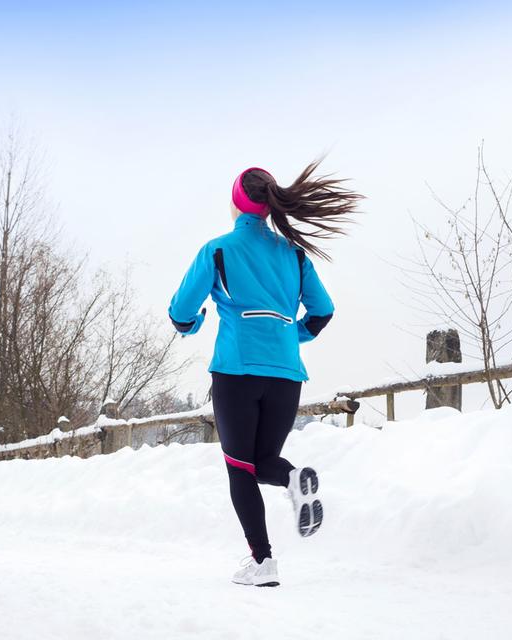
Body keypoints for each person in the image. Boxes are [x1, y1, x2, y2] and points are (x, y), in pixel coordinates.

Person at [167, 161, 361, 587]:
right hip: (287, 375)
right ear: (270, 207)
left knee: (240, 466)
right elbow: (323, 311)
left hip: (237, 371)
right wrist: (292, 338)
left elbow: (180, 312)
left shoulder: (218, 249)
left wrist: (194, 323)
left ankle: (263, 562)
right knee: (262, 462)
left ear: (237, 204)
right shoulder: (294, 254)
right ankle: (293, 477)